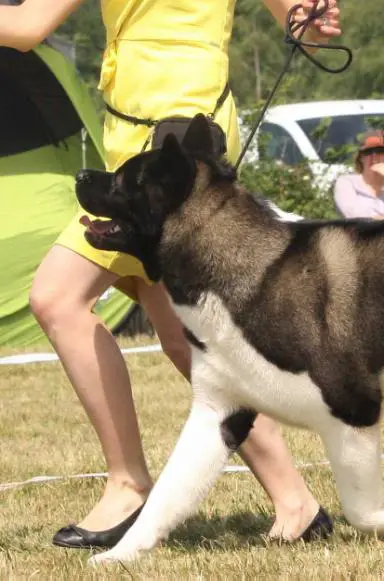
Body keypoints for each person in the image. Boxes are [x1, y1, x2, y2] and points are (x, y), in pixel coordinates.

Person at [0, 0, 340, 548]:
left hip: (173, 146)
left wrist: (314, 21)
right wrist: (312, 22)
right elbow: (301, 19)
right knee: (186, 341)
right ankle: (295, 501)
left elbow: (25, 28)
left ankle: (128, 485)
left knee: (57, 298)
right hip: (147, 137)